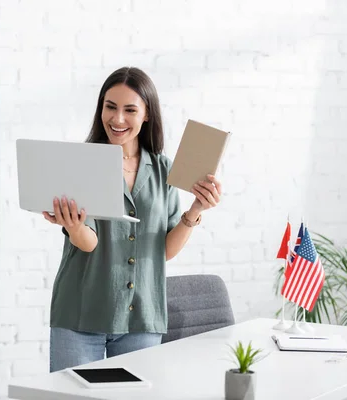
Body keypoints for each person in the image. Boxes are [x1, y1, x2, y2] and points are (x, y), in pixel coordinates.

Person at [42, 66, 223, 373]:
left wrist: (194, 212)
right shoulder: (83, 162)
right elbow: (89, 243)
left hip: (142, 316)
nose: (118, 119)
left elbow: (162, 251)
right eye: (110, 107)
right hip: (80, 313)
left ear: (147, 114)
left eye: (129, 110)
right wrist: (73, 226)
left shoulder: (165, 170)